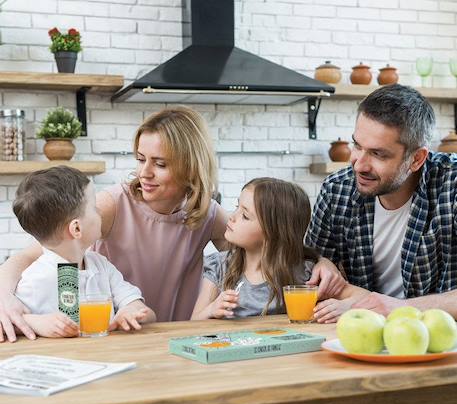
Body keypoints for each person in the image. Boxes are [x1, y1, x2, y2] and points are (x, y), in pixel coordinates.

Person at [0, 106, 344, 342]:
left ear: (189, 166)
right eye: (140, 160)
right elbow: (31, 257)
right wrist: (5, 298)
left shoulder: (205, 212)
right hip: (118, 336)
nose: (144, 173)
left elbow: (264, 241)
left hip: (176, 337)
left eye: (160, 164)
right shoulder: (112, 205)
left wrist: (319, 261)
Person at [306, 84, 457, 321]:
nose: (358, 164)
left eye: (378, 154)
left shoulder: (452, 186)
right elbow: (309, 263)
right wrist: (321, 263)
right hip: (358, 336)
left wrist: (401, 309)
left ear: (417, 159)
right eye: (357, 145)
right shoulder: (337, 190)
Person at [12, 166, 155, 338]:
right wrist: (34, 323)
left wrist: (132, 311)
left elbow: (144, 310)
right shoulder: (36, 279)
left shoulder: (102, 266)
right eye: (94, 207)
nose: (100, 211)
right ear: (77, 228)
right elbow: (8, 322)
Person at [192, 178, 364, 320]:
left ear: (272, 232)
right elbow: (193, 323)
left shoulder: (306, 274)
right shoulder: (220, 266)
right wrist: (211, 310)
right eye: (237, 207)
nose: (232, 217)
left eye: (245, 215)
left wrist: (344, 306)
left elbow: (365, 297)